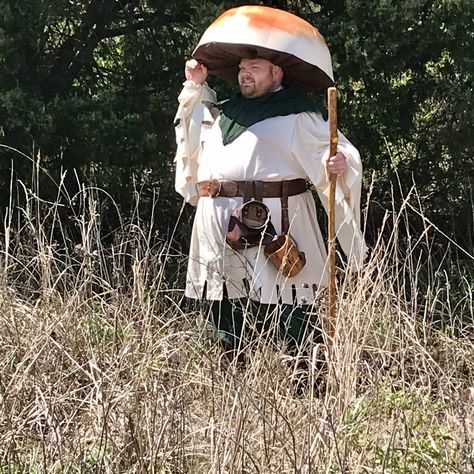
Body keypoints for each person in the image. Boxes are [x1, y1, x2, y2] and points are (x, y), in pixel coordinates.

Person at [174, 55, 366, 359]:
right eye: (241, 69)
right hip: (221, 226)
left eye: (254, 68)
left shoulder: (298, 113)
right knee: (225, 306)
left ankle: (308, 382)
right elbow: (193, 125)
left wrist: (339, 161)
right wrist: (195, 84)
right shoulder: (226, 112)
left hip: (279, 225)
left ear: (276, 73)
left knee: (293, 307)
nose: (245, 74)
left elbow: (336, 149)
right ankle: (232, 386)